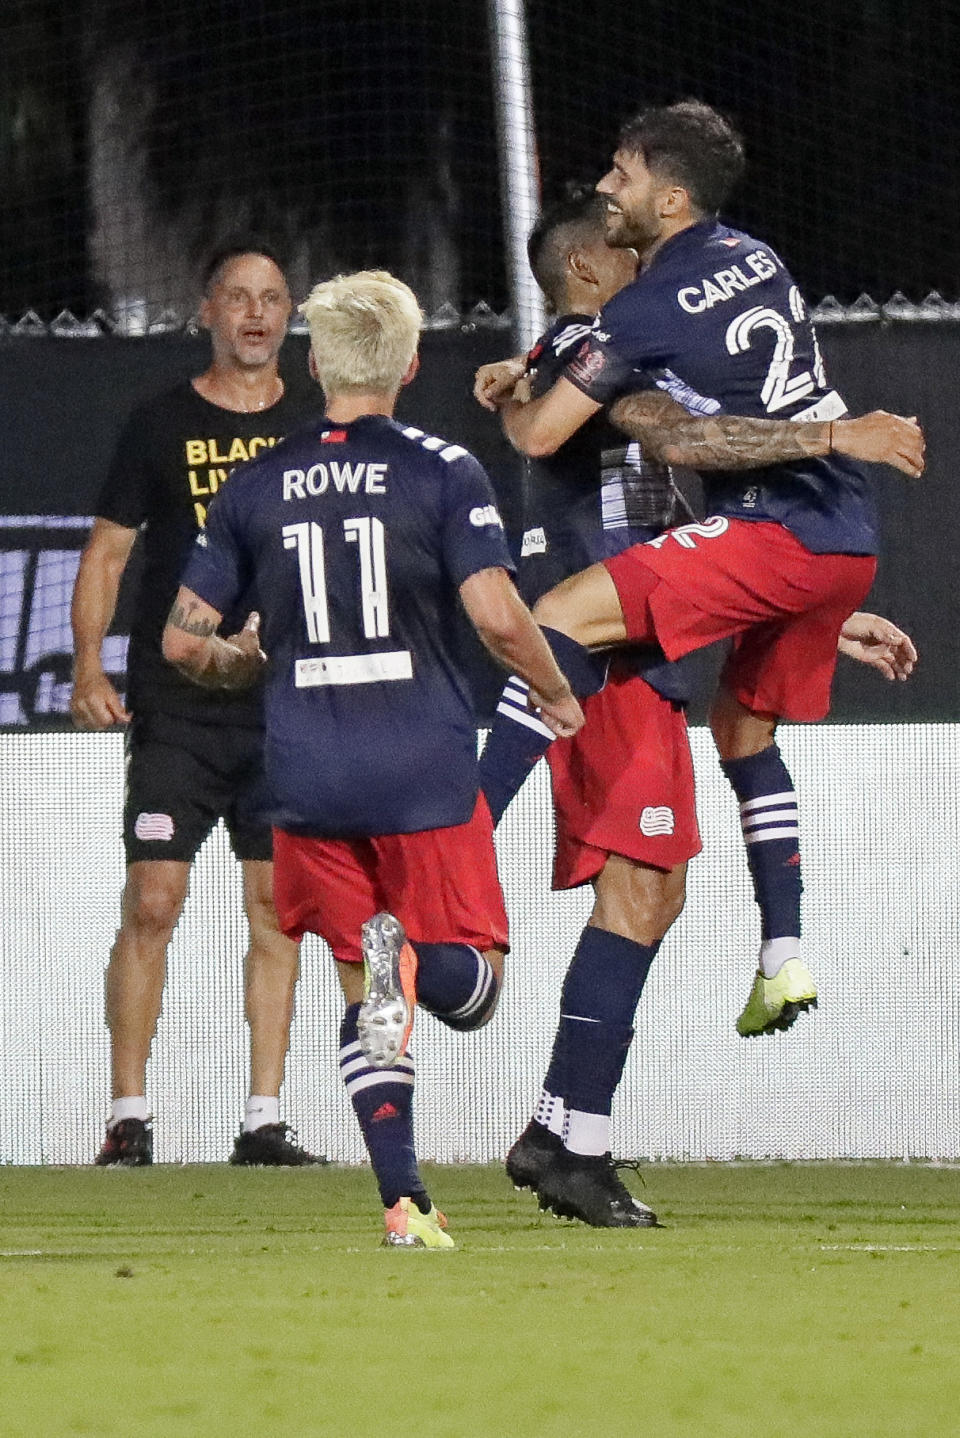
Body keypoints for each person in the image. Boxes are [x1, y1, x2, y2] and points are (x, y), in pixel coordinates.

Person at [473, 187, 917, 1226]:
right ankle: (571, 1140)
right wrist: (831, 436)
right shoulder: (592, 345)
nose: (656, 275)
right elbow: (667, 446)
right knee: (644, 889)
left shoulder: (607, 347)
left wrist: (820, 612)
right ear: (587, 270)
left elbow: (689, 519)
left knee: (653, 892)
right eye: (629, 257)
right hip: (602, 652)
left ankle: (559, 1129)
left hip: (641, 637)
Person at [160, 268, 584, 1248]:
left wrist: (244, 661)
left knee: (368, 991)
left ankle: (405, 1202)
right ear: (409, 363)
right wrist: (557, 696)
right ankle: (407, 967)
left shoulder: (255, 483)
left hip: (304, 780)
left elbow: (185, 644)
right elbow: (493, 614)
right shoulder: (443, 469)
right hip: (423, 777)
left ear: (313, 364)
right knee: (468, 991)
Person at [71, 239, 324, 1166]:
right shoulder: (159, 422)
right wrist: (89, 669)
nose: (256, 315)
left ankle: (264, 1119)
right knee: (154, 898)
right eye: (238, 298)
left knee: (274, 907)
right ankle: (128, 1115)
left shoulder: (316, 424)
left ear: (290, 316)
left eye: (271, 299)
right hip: (176, 705)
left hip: (286, 708)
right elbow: (106, 553)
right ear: (207, 313)